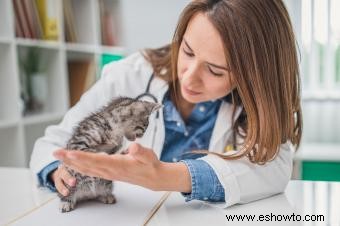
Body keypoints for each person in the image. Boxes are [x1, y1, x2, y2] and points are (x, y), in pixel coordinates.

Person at [30, 0, 302, 208]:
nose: (189, 77)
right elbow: (52, 143)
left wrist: (167, 176)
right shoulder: (131, 75)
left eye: (216, 71)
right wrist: (58, 172)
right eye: (187, 51)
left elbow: (275, 168)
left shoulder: (255, 105)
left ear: (253, 76)